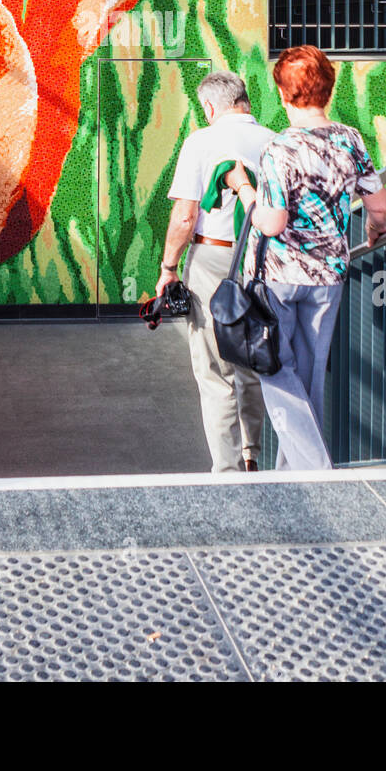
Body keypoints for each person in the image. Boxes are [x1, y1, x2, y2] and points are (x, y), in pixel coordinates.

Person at [223, 45, 386, 471]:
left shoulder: (280, 148)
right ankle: (293, 482)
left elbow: (271, 223)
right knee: (310, 377)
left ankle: (317, 471)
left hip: (279, 277)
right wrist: (375, 231)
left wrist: (242, 187)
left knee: (276, 370)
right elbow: (380, 207)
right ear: (328, 91)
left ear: (283, 94)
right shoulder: (350, 139)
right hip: (329, 276)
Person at [156, 72, 276, 473]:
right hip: (263, 258)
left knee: (213, 368)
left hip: (212, 260)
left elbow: (186, 215)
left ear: (209, 107)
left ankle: (225, 471)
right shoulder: (274, 140)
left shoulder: (202, 142)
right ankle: (252, 454)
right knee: (251, 357)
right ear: (244, 99)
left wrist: (168, 267)